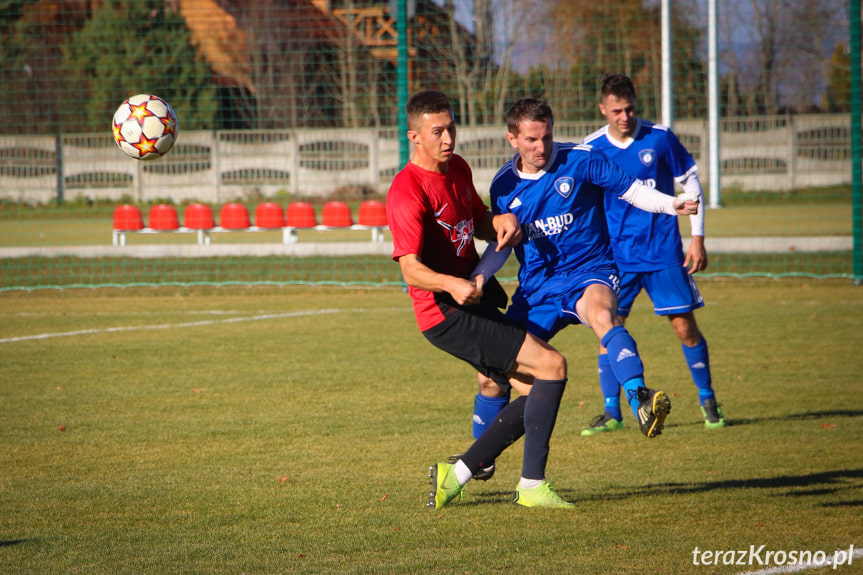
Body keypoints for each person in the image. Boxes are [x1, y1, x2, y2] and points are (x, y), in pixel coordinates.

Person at [457, 98, 699, 480]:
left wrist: (673, 204)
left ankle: (638, 396)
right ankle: (479, 457)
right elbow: (501, 242)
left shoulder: (581, 160)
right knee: (492, 375)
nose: (542, 147)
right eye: (533, 140)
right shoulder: (504, 185)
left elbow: (632, 191)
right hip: (536, 291)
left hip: (590, 272)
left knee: (603, 315)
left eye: (548, 136)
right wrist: (480, 277)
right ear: (512, 139)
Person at [386, 89, 575, 509]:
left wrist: (498, 220)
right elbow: (409, 269)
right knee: (553, 366)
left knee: (534, 390)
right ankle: (531, 485)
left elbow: (477, 222)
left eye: (451, 127)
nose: (448, 138)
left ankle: (456, 475)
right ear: (414, 136)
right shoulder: (406, 190)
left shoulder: (457, 169)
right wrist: (451, 284)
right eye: (437, 131)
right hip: (444, 311)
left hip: (471, 301)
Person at [580, 73, 724, 435]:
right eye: (616, 111)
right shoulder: (592, 147)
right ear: (603, 109)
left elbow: (690, 183)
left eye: (629, 109)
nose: (624, 117)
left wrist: (698, 237)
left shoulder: (659, 138)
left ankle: (709, 402)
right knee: (608, 330)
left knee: (684, 327)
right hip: (615, 258)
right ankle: (612, 412)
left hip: (662, 253)